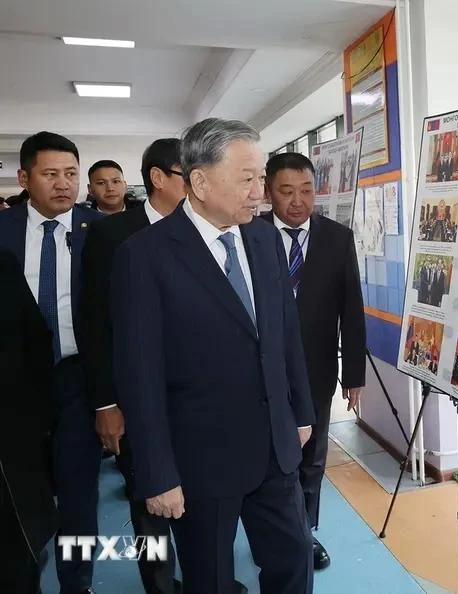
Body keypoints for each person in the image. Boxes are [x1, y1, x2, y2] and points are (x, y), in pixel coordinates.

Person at [110, 118, 315, 594]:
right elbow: (139, 374)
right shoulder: (144, 257)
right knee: (210, 580)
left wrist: (301, 412)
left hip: (275, 448)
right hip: (200, 459)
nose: (260, 192)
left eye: (261, 177)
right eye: (247, 178)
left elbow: (286, 336)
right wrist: (157, 472)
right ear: (199, 181)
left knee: (293, 562)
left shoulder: (264, 239)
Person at [81, 139, 234, 594]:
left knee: (206, 498)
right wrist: (107, 402)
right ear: (158, 178)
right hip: (139, 397)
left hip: (203, 402)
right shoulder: (113, 236)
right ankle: (161, 585)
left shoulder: (212, 228)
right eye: (187, 173)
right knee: (149, 498)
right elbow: (94, 323)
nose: (196, 183)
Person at [0, 131, 104, 594]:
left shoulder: (97, 232)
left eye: (71, 174)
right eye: (50, 174)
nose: (64, 184)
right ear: (25, 177)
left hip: (78, 381)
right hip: (14, 388)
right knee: (21, 496)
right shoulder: (2, 233)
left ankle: (76, 585)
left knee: (80, 496)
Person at [261, 152, 366, 570]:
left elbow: (351, 311)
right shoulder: (250, 236)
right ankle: (274, 531)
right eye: (286, 191)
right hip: (263, 371)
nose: (297, 201)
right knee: (270, 456)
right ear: (269, 191)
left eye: (306, 190)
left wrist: (354, 375)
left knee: (312, 457)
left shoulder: (337, 238)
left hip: (317, 370)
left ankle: (306, 534)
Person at [0, 249, 58, 594]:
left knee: (16, 554)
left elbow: (34, 338)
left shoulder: (2, 263)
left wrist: (37, 419)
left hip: (11, 438)